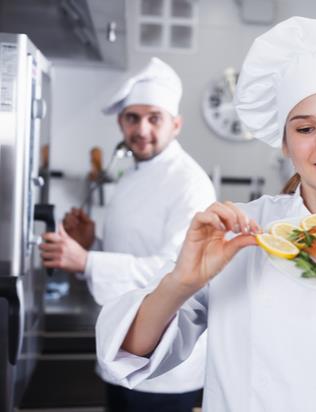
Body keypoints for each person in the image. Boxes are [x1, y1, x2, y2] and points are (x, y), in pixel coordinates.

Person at [95, 11, 316, 412]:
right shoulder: (241, 232)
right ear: (285, 143)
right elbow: (130, 354)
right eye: (305, 129)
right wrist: (181, 282)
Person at [39, 57, 216, 411]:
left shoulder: (189, 183)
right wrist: (93, 244)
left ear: (176, 124)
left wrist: (88, 262)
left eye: (154, 118)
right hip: (121, 346)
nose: (142, 129)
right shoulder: (131, 173)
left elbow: (175, 271)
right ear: (121, 122)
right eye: (132, 118)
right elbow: (133, 249)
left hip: (164, 363)